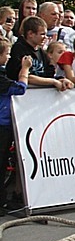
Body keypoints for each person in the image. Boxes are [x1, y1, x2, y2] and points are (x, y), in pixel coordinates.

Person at [0, 39, 31, 213]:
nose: (9, 57)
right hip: (1, 124)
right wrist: (24, 69)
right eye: (6, 54)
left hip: (4, 124)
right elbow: (20, 88)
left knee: (4, 161)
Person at [7, 17, 74, 91]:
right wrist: (54, 82)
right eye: (42, 34)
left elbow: (48, 75)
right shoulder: (18, 49)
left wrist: (61, 79)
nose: (45, 37)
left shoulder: (41, 52)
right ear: (30, 34)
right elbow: (27, 77)